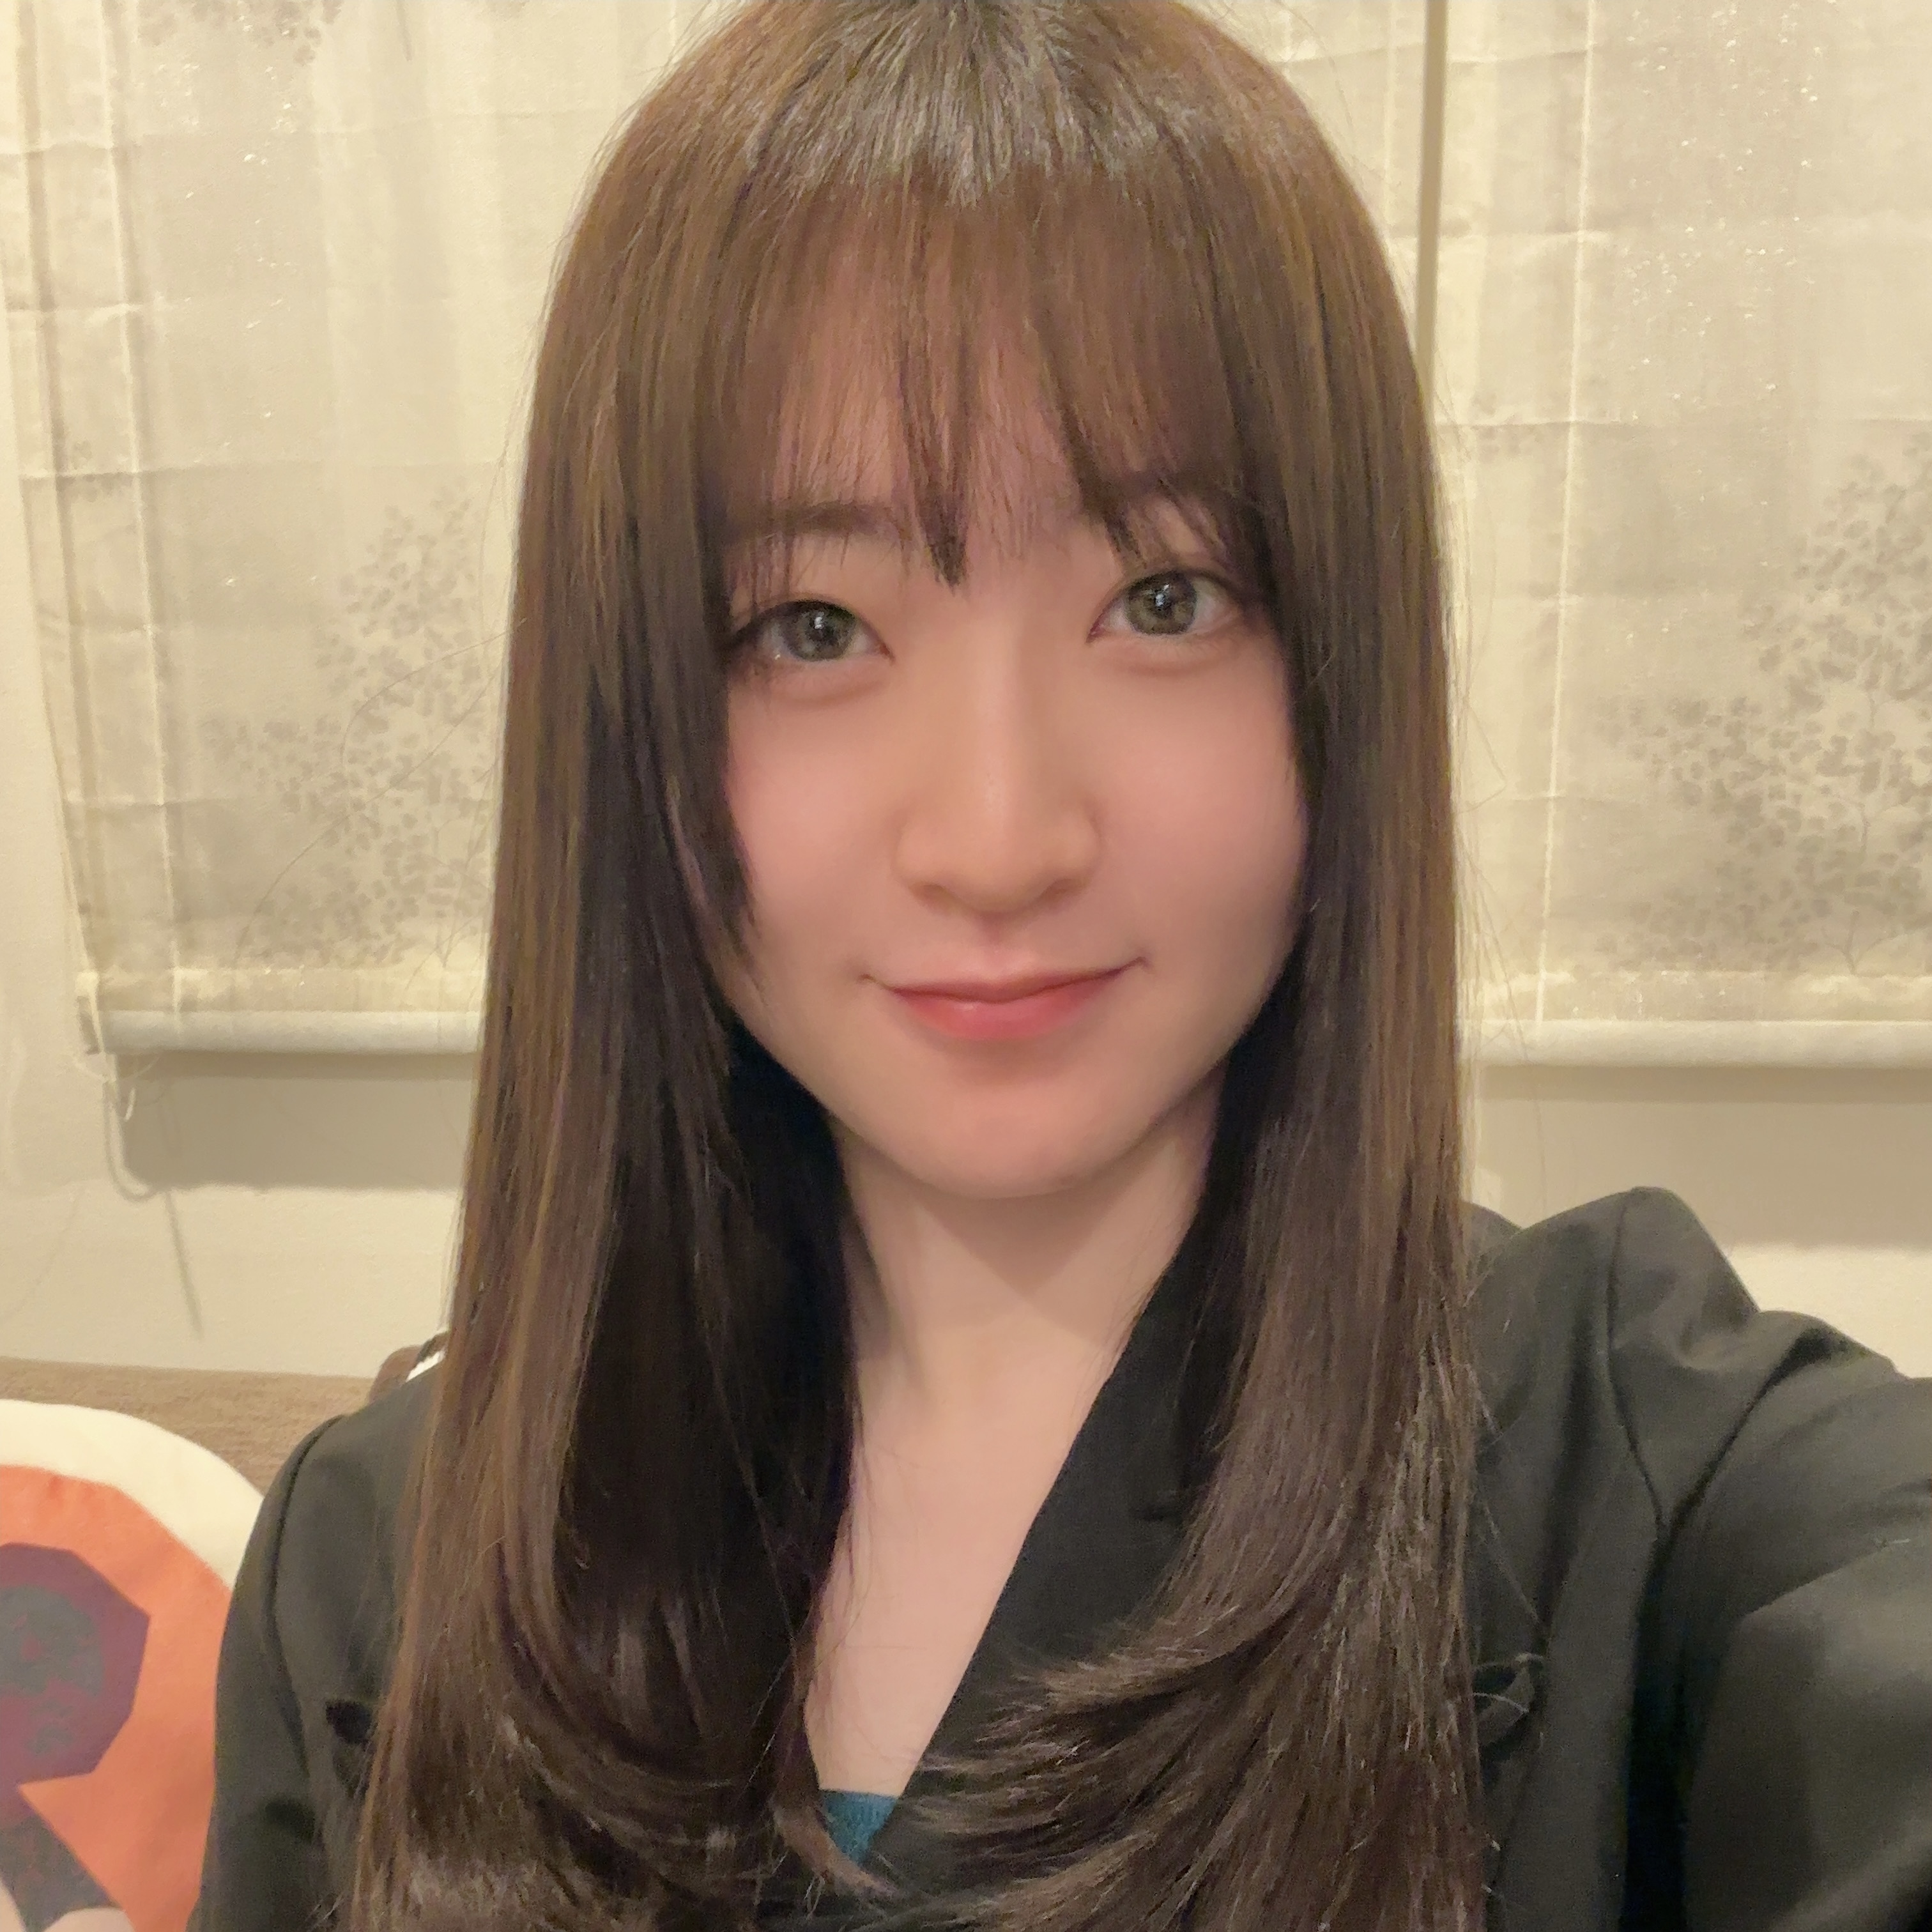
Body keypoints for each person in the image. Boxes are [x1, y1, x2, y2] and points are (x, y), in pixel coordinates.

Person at [191, 3, 1932, 1928]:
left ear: (1341, 664)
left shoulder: (1640, 1478)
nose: (1000, 836)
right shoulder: (381, 1566)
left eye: (1163, 598)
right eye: (812, 625)